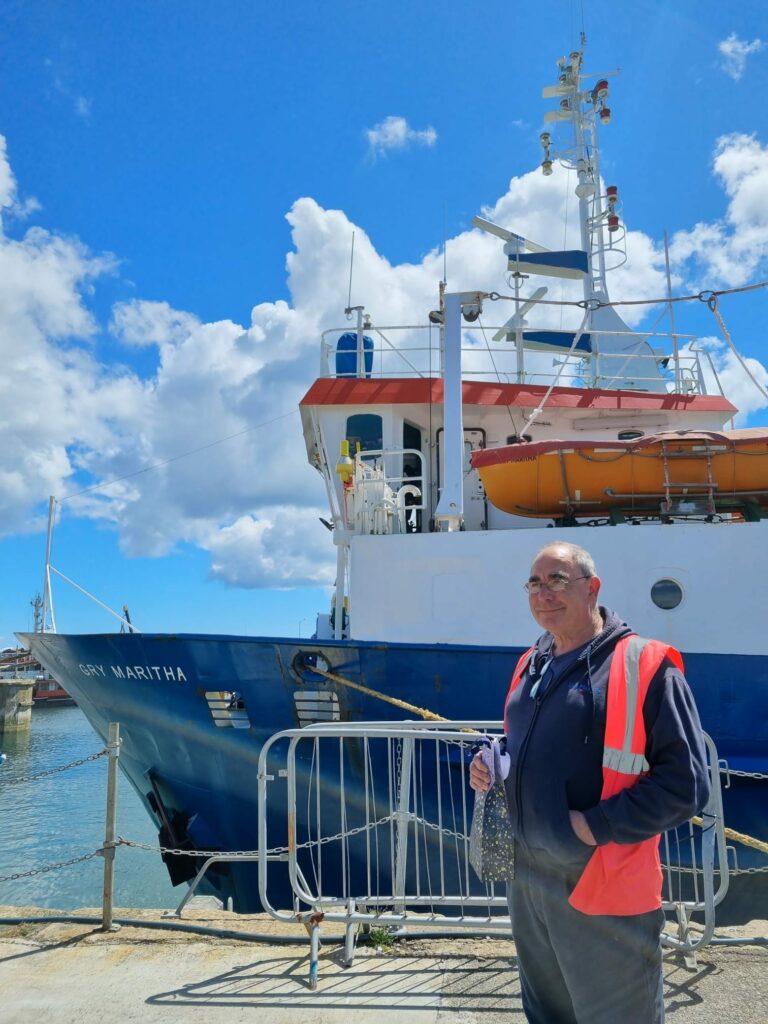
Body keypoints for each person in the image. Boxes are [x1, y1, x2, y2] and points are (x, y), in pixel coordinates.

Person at [470, 541, 710, 1024]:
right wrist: (493, 762)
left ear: (592, 588)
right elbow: (532, 745)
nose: (543, 593)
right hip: (531, 885)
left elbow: (686, 784)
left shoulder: (645, 664)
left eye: (558, 579)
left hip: (604, 888)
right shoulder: (531, 663)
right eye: (534, 583)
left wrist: (591, 826)